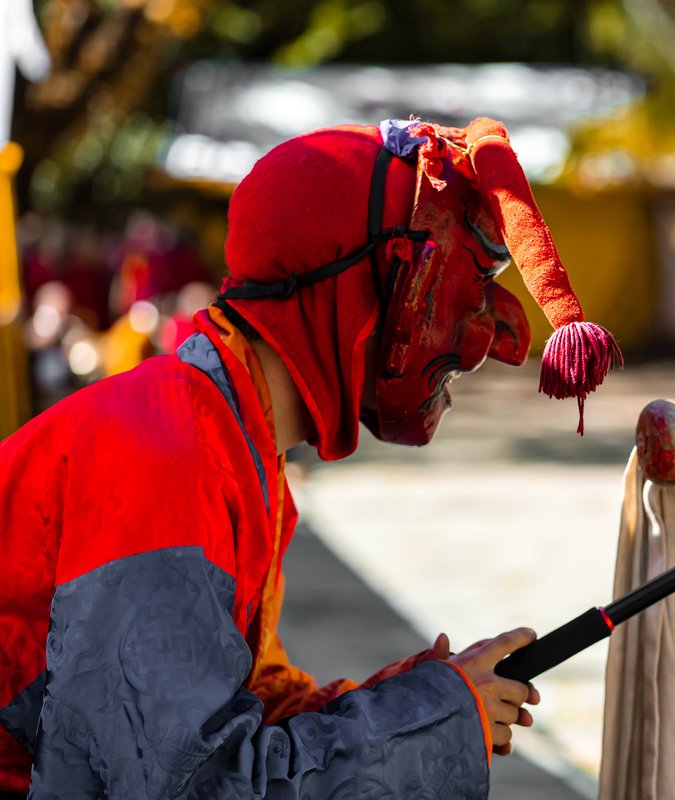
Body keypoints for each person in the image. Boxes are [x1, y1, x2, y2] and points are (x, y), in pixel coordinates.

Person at [0, 117, 620, 797]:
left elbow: (228, 714)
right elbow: (183, 783)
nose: (496, 339)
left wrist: (421, 698)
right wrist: (428, 717)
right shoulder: (166, 454)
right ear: (362, 282)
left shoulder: (233, 442)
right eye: (463, 285)